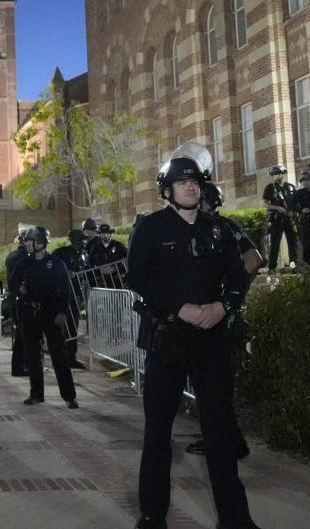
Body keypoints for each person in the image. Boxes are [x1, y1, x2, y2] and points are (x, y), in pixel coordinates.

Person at [126, 142, 260, 529]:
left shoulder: (218, 230)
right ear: (166, 190)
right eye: (181, 181)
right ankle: (153, 515)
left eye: (195, 181)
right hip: (167, 340)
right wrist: (179, 308)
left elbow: (237, 279)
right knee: (157, 432)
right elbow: (138, 277)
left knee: (219, 432)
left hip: (211, 341)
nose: (190, 187)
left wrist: (223, 307)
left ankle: (236, 518)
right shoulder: (151, 228)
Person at [184, 182, 258, 460]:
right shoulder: (212, 228)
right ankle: (229, 440)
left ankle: (224, 442)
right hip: (215, 314)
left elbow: (254, 260)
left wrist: (231, 297)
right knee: (213, 383)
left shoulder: (219, 228)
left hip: (220, 317)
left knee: (214, 383)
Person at [9, 226, 78, 409]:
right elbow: (13, 285)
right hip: (30, 315)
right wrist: (19, 295)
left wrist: (62, 312)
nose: (27, 244)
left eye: (30, 241)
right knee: (33, 356)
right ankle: (36, 394)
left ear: (40, 242)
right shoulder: (24, 263)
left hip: (51, 314)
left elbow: (65, 290)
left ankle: (69, 396)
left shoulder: (55, 263)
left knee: (59, 355)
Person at [52, 229, 90, 370]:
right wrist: (65, 273)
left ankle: (71, 357)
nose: (83, 242)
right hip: (62, 296)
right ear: (74, 240)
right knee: (61, 327)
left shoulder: (83, 254)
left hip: (75, 296)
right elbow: (52, 268)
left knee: (72, 328)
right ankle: (60, 357)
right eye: (81, 240)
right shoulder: (61, 253)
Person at [4, 225, 33, 377]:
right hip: (21, 298)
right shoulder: (24, 258)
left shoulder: (12, 256)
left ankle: (22, 365)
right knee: (23, 335)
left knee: (21, 333)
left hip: (13, 296)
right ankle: (21, 366)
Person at [262, 165, 297, 273]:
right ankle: (272, 267)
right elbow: (265, 204)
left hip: (289, 219)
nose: (276, 176)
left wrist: (294, 211)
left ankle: (293, 266)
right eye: (274, 174)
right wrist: (277, 208)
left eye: (278, 174)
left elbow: (295, 203)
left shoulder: (290, 187)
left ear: (283, 174)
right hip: (276, 219)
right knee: (275, 244)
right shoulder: (270, 188)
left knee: (292, 244)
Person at [290, 171, 310, 267]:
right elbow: (291, 206)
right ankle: (308, 266)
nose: (305, 182)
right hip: (305, 220)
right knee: (307, 244)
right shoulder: (298, 193)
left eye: (307, 180)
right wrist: (301, 210)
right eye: (303, 181)